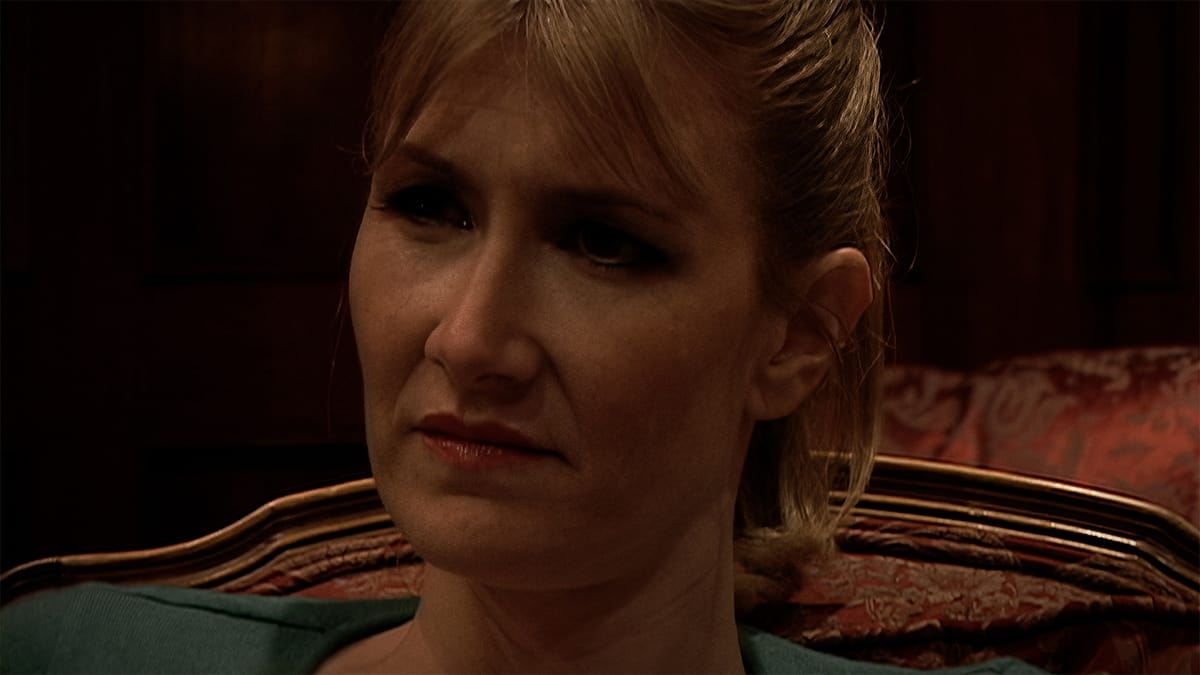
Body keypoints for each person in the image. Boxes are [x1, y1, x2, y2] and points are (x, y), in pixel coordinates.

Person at [1, 1, 1043, 673]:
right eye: (430, 206)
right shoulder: (70, 656)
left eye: (604, 243)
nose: (469, 339)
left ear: (799, 336)